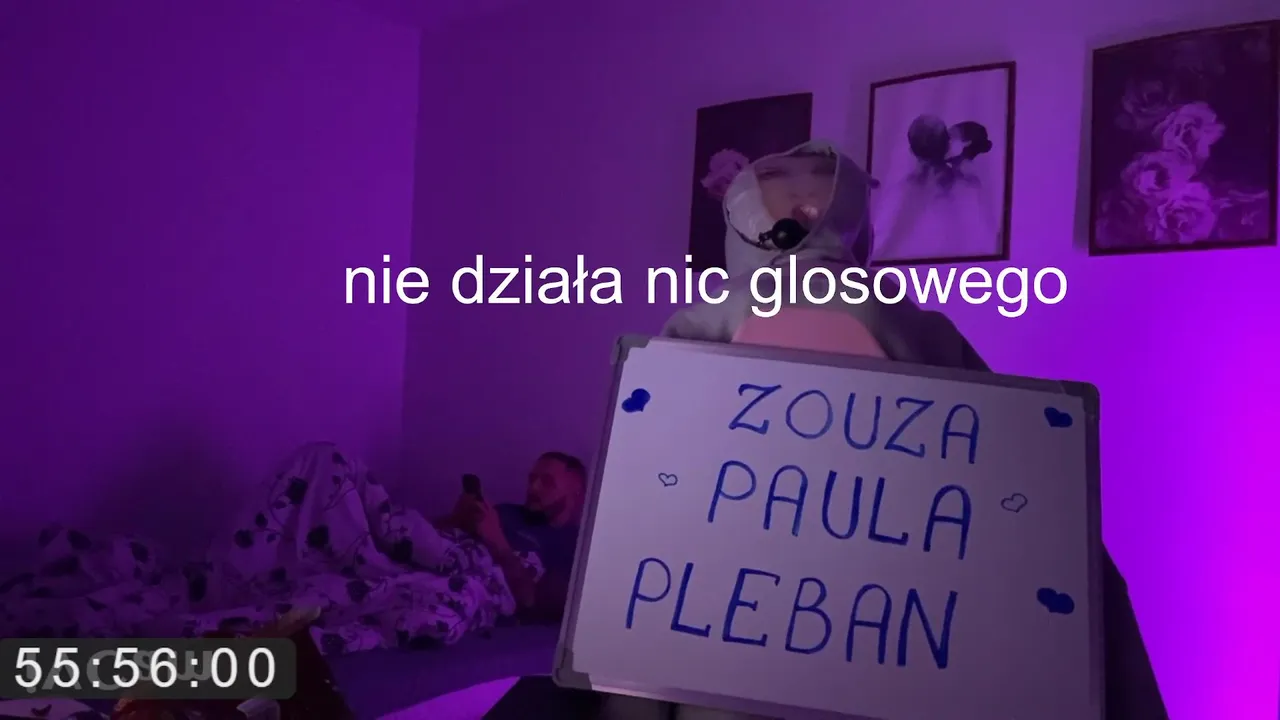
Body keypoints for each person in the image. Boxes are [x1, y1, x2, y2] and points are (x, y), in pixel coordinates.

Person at [607, 140, 1168, 719]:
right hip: (900, 656)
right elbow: (1022, 492)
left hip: (722, 656)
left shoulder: (692, 327)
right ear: (858, 226)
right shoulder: (924, 329)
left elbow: (640, 527)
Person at [440, 451, 586, 624]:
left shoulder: (574, 547)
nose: (533, 488)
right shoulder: (506, 512)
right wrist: (456, 519)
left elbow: (530, 603)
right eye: (532, 479)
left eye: (547, 482)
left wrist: (498, 543)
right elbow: (436, 535)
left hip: (465, 594)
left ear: (575, 491)